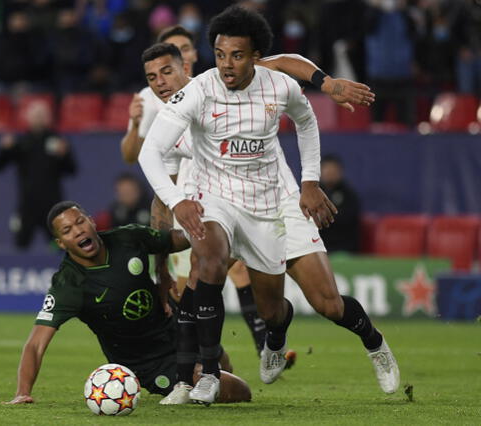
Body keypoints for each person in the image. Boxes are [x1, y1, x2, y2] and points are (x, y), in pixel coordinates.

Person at [139, 6, 399, 405]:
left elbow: (306, 121)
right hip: (220, 201)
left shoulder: (277, 85)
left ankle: (372, 343)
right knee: (206, 260)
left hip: (276, 203)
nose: (227, 64)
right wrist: (178, 201)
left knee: (314, 305)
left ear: (255, 56)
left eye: (237, 55)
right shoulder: (196, 93)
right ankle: (203, 375)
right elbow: (147, 154)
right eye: (220, 54)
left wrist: (309, 181)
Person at [2, 201, 251, 404]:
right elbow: (35, 344)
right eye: (67, 231)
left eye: (79, 222)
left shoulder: (128, 238)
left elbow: (174, 239)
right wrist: (22, 392)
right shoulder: (69, 285)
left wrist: (211, 227)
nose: (77, 231)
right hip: (150, 363)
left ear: (90, 221)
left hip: (179, 326)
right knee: (239, 391)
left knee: (220, 360)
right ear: (61, 243)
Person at [0, 102, 77, 249]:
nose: (39, 119)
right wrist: (4, 149)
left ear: (48, 118)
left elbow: (72, 170)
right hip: (27, 205)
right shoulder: (22, 142)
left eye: (42, 115)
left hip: (52, 205)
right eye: (36, 115)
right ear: (28, 118)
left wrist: (64, 155)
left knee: (58, 246)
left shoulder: (58, 141)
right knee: (21, 245)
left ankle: (60, 271)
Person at [319, 155, 361, 253]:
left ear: (340, 172)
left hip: (344, 248)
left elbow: (349, 219)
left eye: (333, 170)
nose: (330, 173)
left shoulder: (349, 195)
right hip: (318, 247)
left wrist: (324, 216)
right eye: (326, 170)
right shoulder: (312, 195)